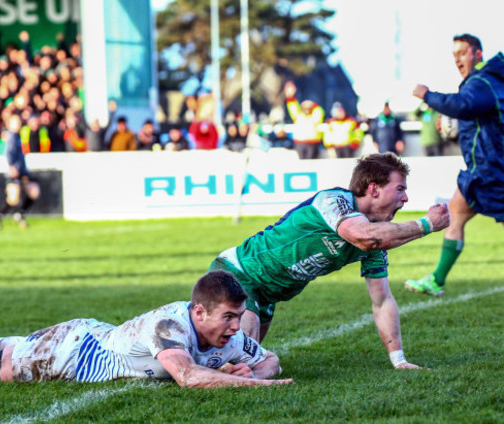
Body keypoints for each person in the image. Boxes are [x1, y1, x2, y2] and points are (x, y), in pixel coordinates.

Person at [209, 153, 450, 368]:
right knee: (239, 363)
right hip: (240, 271)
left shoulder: (376, 238)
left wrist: (399, 360)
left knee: (239, 361)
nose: (406, 198)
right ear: (374, 189)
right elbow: (361, 235)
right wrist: (426, 225)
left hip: (268, 294)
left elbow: (382, 299)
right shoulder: (335, 200)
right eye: (400, 189)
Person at [0, 271, 293, 388]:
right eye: (229, 319)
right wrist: (261, 388)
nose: (237, 330)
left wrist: (256, 371)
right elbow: (188, 376)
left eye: (238, 318)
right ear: (199, 313)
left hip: (90, 336)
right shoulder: (169, 324)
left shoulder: (228, 334)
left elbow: (268, 358)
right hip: (72, 352)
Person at [405, 34, 504, 296]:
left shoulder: (482, 81)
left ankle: (437, 279)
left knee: (456, 218)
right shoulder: (487, 82)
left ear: (478, 54)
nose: (458, 59)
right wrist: (450, 123)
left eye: (463, 52)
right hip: (482, 169)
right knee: (455, 217)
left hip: (491, 170)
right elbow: (475, 117)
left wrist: (428, 95)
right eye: (454, 55)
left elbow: (465, 105)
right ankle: (437, 279)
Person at [0, 114, 40, 230]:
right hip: (15, 172)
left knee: (34, 191)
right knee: (13, 199)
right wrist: (12, 167)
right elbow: (9, 154)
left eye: (19, 122)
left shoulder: (18, 136)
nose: (19, 124)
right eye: (16, 122)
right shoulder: (11, 137)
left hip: (22, 171)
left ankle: (20, 215)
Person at [284, 81, 325, 159]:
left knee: (311, 162)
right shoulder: (298, 116)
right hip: (300, 142)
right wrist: (290, 96)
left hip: (313, 141)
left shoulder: (315, 117)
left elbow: (320, 111)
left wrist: (313, 105)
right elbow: (292, 107)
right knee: (303, 163)